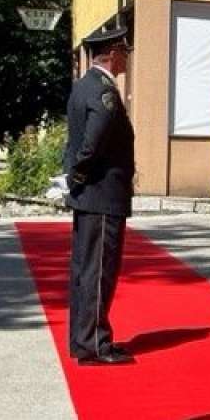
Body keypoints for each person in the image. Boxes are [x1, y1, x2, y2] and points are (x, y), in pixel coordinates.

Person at [63, 25, 136, 366]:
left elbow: (73, 141)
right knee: (98, 270)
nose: (126, 59)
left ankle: (82, 340)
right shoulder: (105, 91)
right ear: (112, 54)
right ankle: (95, 344)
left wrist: (73, 178)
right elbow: (92, 140)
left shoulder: (83, 86)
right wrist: (80, 173)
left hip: (89, 193)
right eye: (124, 52)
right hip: (102, 193)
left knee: (84, 268)